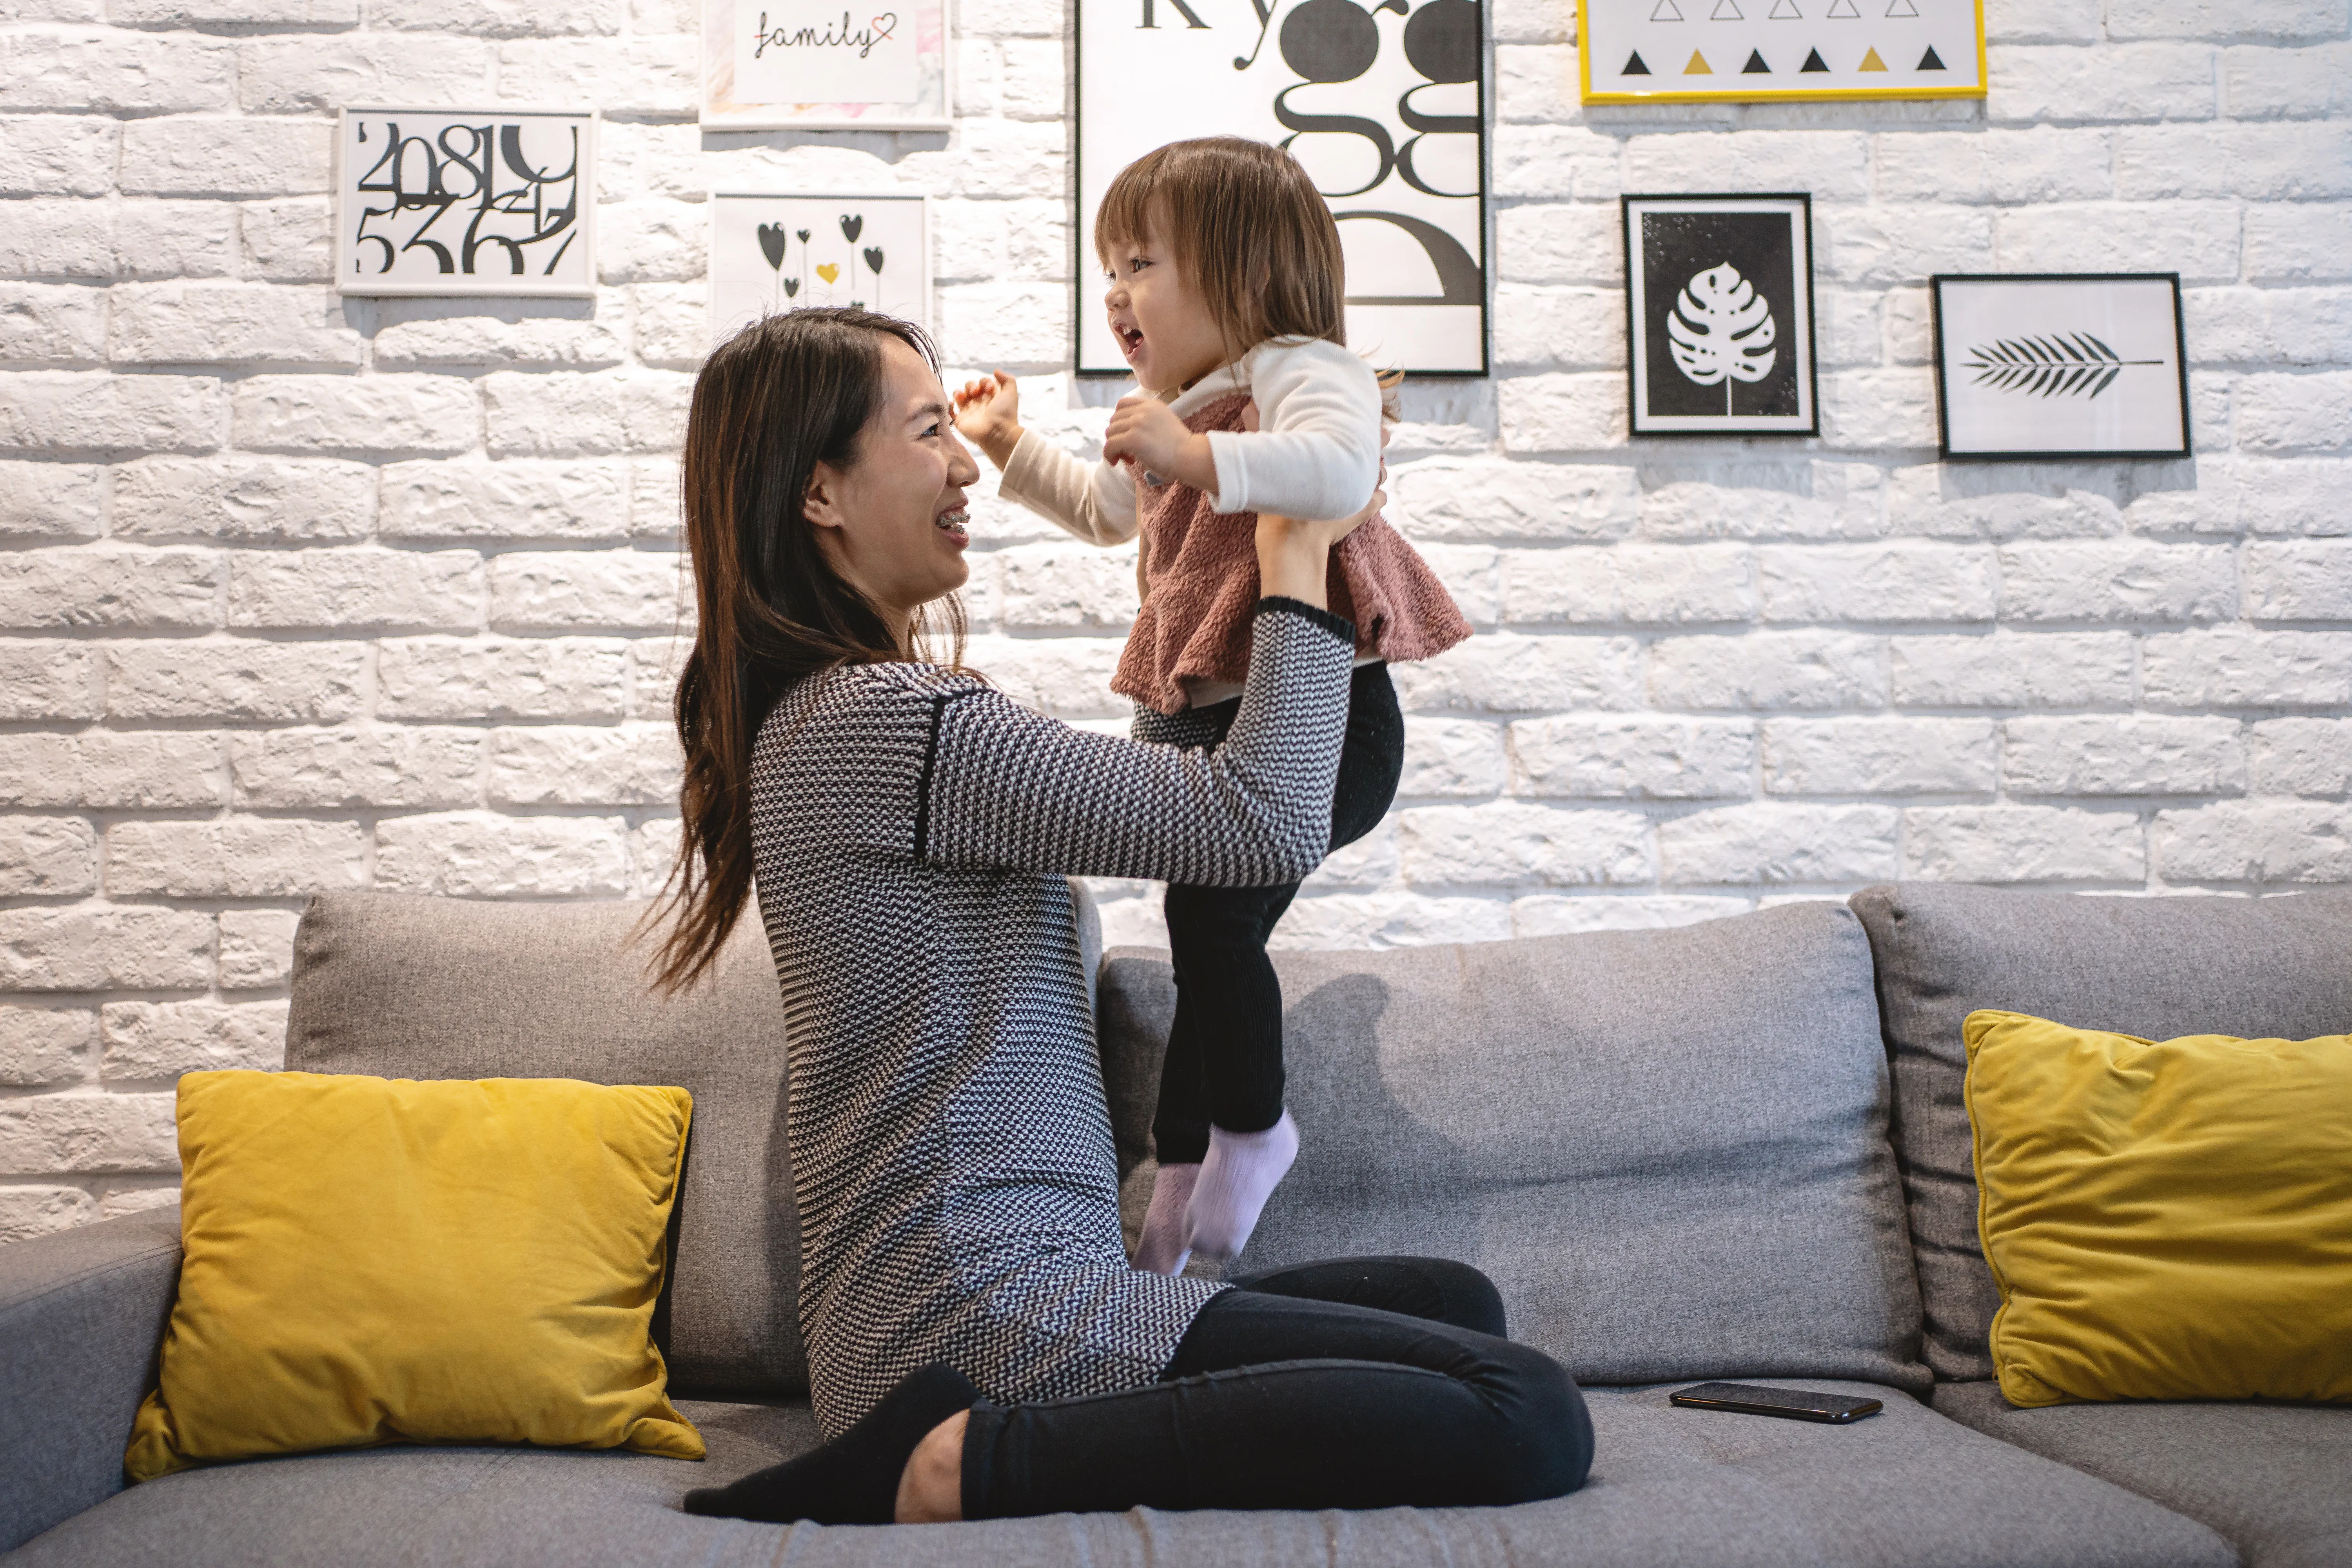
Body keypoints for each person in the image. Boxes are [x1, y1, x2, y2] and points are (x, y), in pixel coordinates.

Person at [650, 307, 1589, 1526]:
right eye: (928, 431)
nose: (958, 464)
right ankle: (947, 1465)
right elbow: (1260, 824)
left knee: (1455, 1305)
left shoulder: (863, 721)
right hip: (974, 1313)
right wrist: (1290, 555)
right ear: (820, 492)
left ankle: (973, 1434)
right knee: (1527, 1413)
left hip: (1008, 1290)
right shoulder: (888, 725)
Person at [951, 137, 1472, 1275]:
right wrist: (1007, 447)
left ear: (1243, 271)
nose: (1116, 292)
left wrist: (1195, 450)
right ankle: (1182, 1162)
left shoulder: (1301, 367)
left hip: (1325, 722)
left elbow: (1339, 479)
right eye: (1111, 268)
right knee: (1202, 937)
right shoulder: (1175, 403)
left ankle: (1251, 1127)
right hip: (1207, 722)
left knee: (1216, 924)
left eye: (1142, 263)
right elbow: (1106, 512)